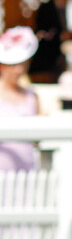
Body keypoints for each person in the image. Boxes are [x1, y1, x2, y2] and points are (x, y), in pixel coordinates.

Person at [0, 26, 40, 172]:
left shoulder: (32, 95)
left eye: (22, 64)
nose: (19, 70)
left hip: (26, 169)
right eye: (13, 65)